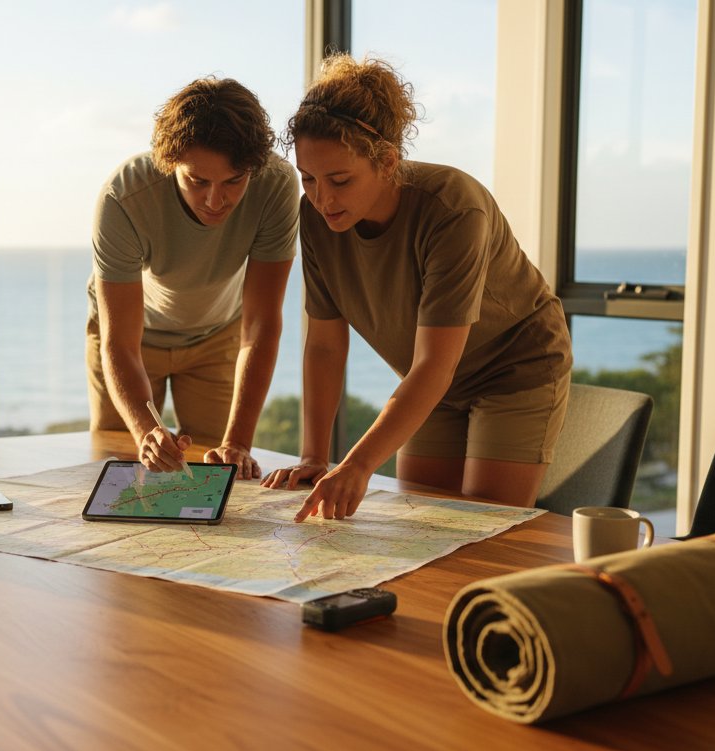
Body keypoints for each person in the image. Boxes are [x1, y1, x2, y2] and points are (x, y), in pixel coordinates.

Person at [262, 54, 572, 519]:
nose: (323, 198)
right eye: (309, 178)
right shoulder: (316, 217)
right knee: (421, 522)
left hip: (514, 369)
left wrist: (359, 463)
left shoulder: (453, 208)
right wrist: (313, 456)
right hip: (430, 382)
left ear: (387, 162)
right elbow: (324, 346)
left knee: (478, 528)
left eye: (341, 180)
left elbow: (433, 364)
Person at [87, 77, 299, 479]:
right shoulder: (123, 196)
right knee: (123, 473)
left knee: (220, 472)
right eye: (197, 181)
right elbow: (120, 341)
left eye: (234, 181)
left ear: (253, 167)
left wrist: (239, 441)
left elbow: (261, 322)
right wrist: (146, 430)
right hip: (134, 336)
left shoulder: (276, 185)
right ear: (170, 165)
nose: (215, 201)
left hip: (218, 334)